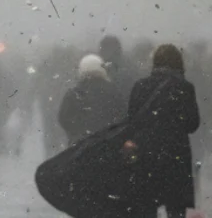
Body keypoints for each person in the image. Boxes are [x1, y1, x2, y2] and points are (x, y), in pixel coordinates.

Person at [126, 44, 201, 218]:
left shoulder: (140, 86)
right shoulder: (184, 87)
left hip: (146, 154)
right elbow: (192, 124)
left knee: (146, 205)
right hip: (175, 155)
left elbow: (131, 121)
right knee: (176, 208)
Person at [57, 54, 126, 144]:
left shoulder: (74, 93)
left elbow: (63, 119)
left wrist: (78, 132)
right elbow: (122, 114)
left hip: (81, 147)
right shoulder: (113, 90)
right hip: (110, 144)